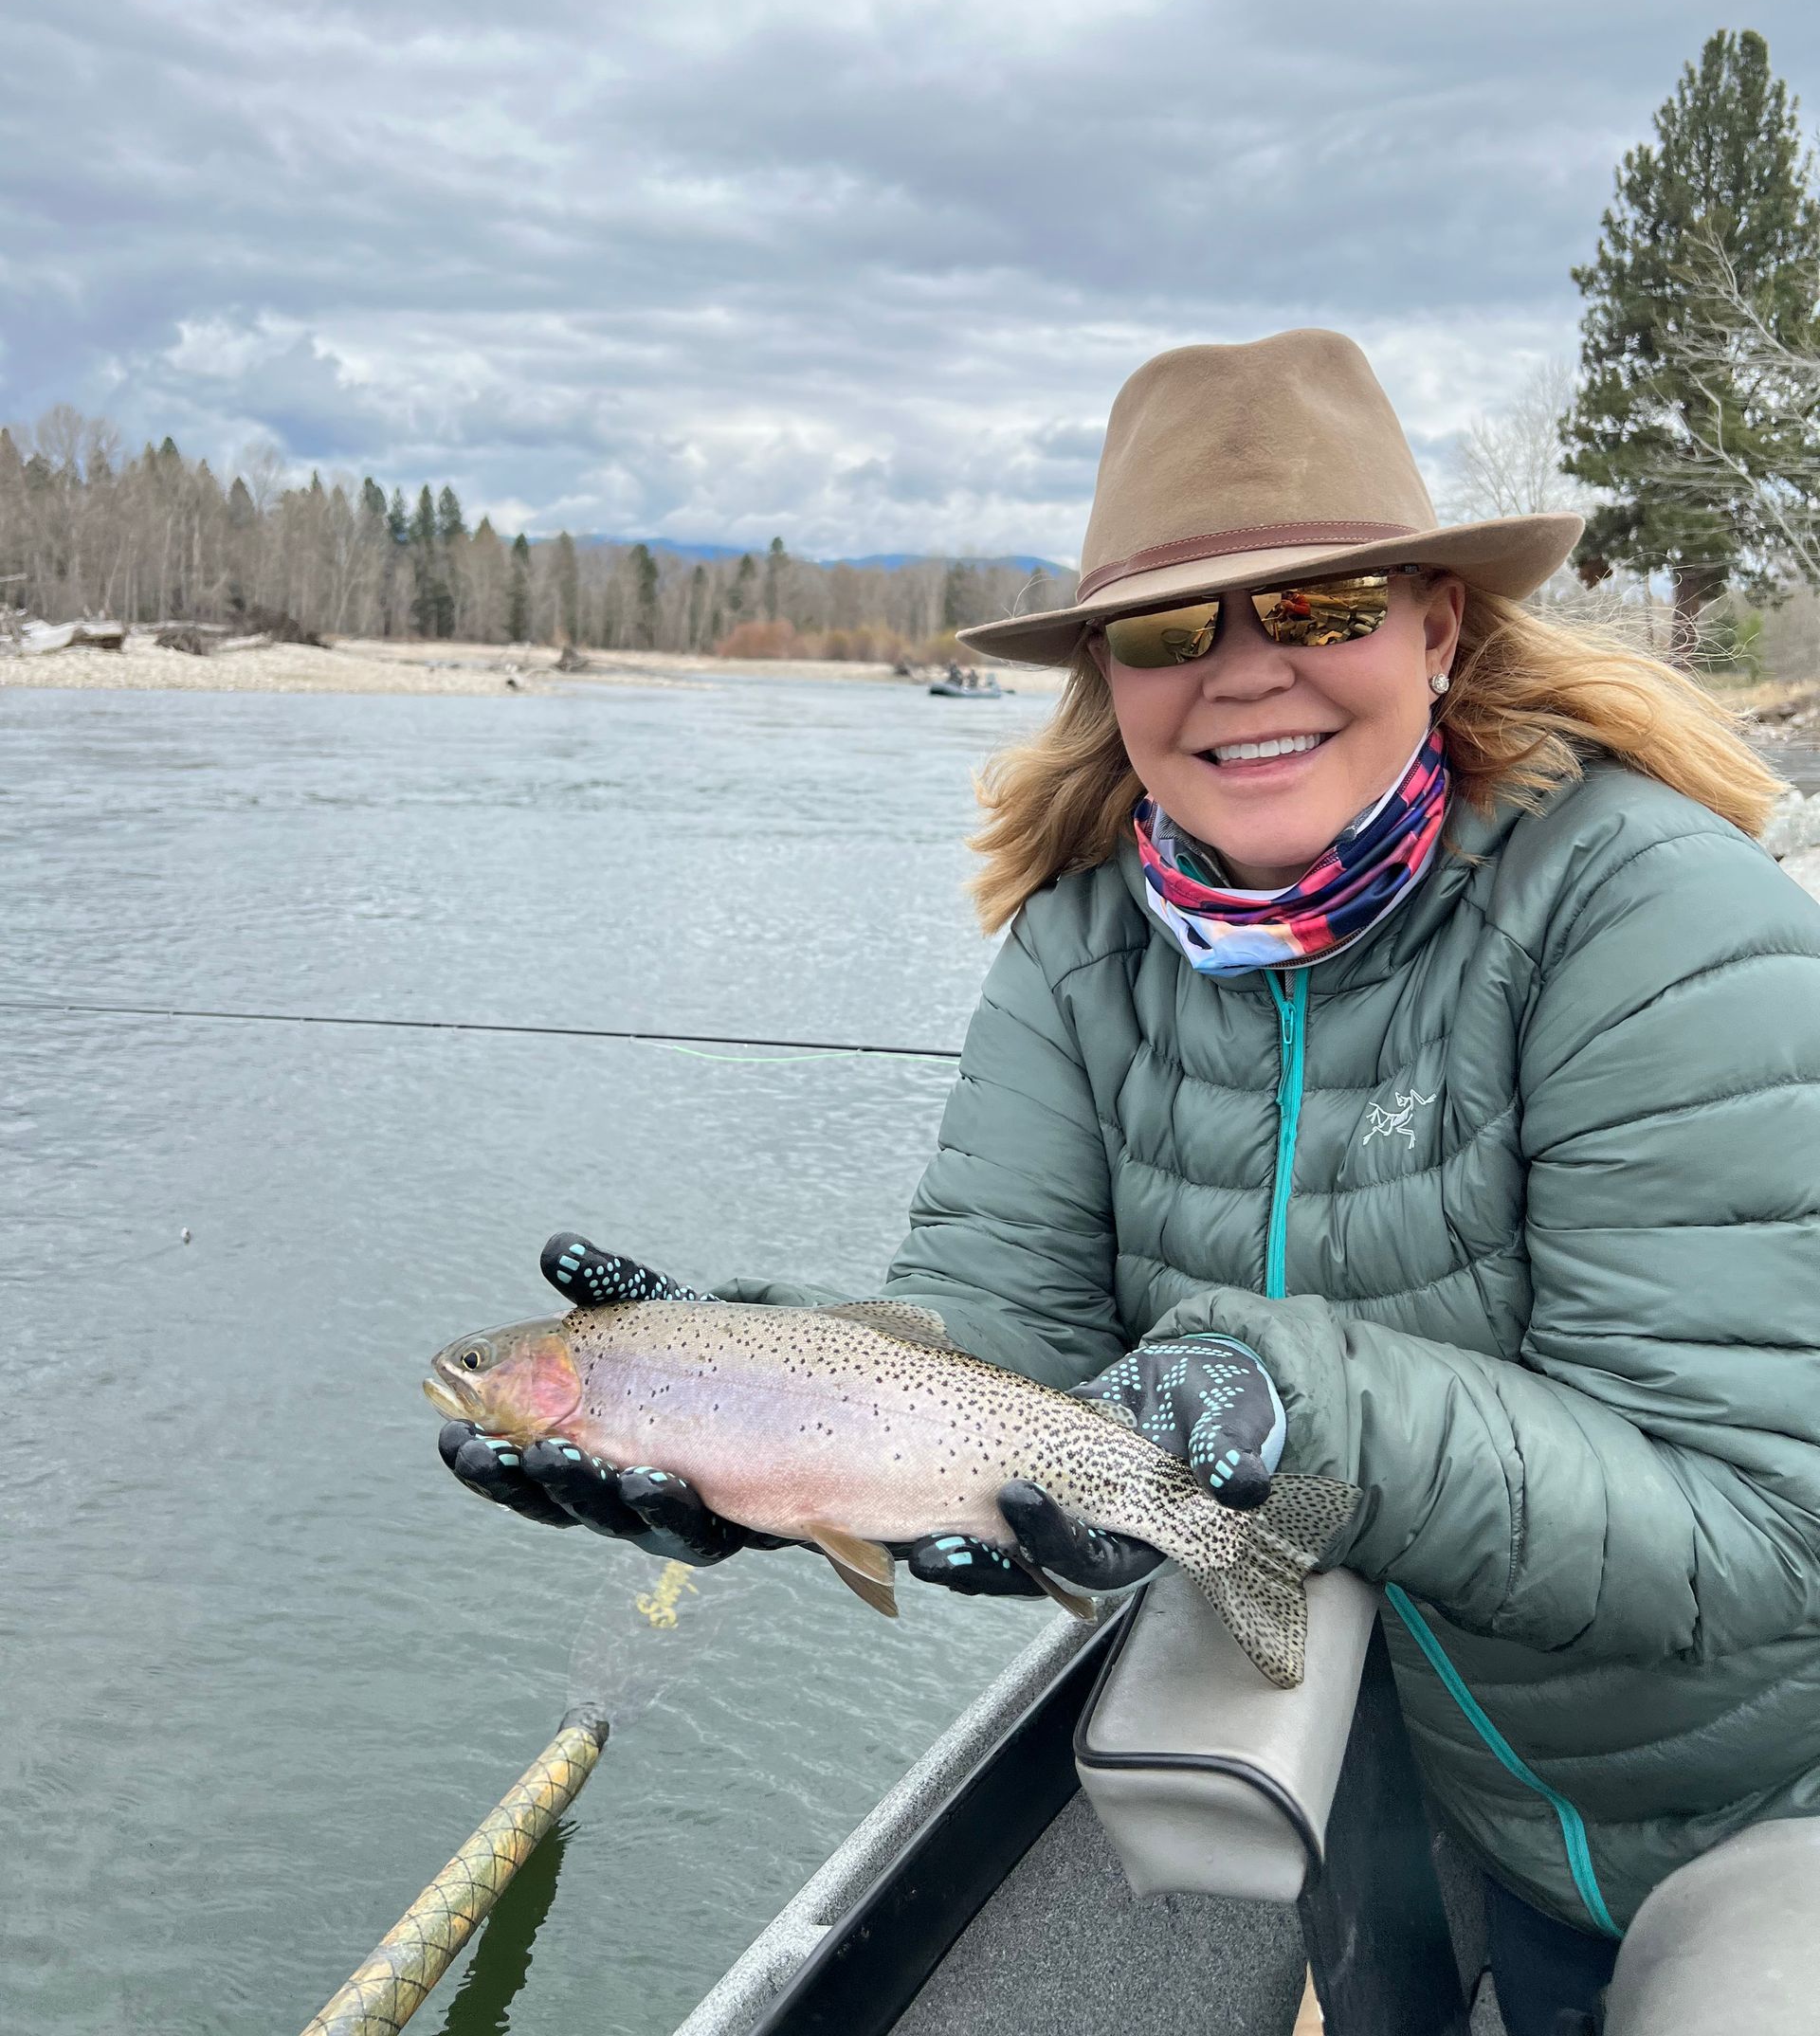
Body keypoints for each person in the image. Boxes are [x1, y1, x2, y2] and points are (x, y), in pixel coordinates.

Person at [439, 332, 1820, 2036]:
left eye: (1321, 608)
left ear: (1439, 621)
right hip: (1435, 1775)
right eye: (1172, 629)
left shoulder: (1647, 916)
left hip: (1752, 1804)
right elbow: (993, 1336)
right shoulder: (1081, 944)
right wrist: (746, 1375)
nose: (1245, 674)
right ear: (1108, 675)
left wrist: (1282, 1401)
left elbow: (1765, 1532)